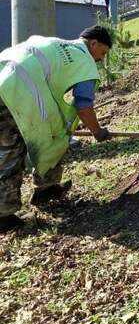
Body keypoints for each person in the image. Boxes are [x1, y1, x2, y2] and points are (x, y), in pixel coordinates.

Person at [0, 26, 113, 232]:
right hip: (16, 92)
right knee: (45, 139)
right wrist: (98, 132)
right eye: (103, 53)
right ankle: (6, 214)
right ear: (93, 43)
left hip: (4, 76)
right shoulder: (85, 62)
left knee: (7, 146)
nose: (101, 59)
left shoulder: (57, 43)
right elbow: (84, 107)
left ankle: (46, 189)